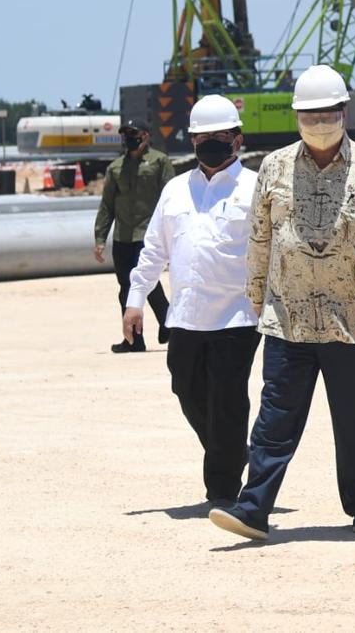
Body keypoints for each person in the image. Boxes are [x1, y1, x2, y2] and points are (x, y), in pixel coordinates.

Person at [209, 65, 355, 541]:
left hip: (352, 318)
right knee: (275, 417)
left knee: (354, 420)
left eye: (327, 114)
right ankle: (253, 507)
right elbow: (259, 236)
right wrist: (256, 294)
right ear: (296, 116)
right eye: (309, 115)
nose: (318, 123)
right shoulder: (273, 167)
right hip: (286, 316)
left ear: (344, 112)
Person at [122, 95, 260, 508]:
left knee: (228, 400)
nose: (210, 144)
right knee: (184, 387)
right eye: (202, 137)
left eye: (219, 136)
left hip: (238, 316)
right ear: (192, 140)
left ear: (237, 139)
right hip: (185, 316)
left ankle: (221, 488)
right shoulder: (175, 189)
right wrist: (134, 301)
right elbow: (153, 250)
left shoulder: (255, 188)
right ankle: (232, 453)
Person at [94, 117, 174, 353]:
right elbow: (107, 205)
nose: (129, 139)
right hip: (123, 237)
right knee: (126, 287)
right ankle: (135, 340)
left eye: (134, 134)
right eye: (126, 135)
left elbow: (171, 198)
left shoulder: (160, 162)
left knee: (145, 282)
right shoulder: (116, 167)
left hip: (149, 234)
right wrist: (100, 238)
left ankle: (166, 323)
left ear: (146, 136)